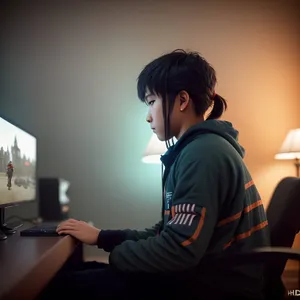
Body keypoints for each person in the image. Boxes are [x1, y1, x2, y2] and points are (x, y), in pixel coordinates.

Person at [41, 49, 270, 299]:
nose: (148, 116)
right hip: (203, 276)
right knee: (79, 276)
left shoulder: (203, 154)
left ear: (182, 100)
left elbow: (178, 250)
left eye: (151, 102)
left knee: (62, 287)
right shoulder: (197, 150)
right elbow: (168, 232)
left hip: (214, 287)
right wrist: (102, 237)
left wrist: (116, 256)